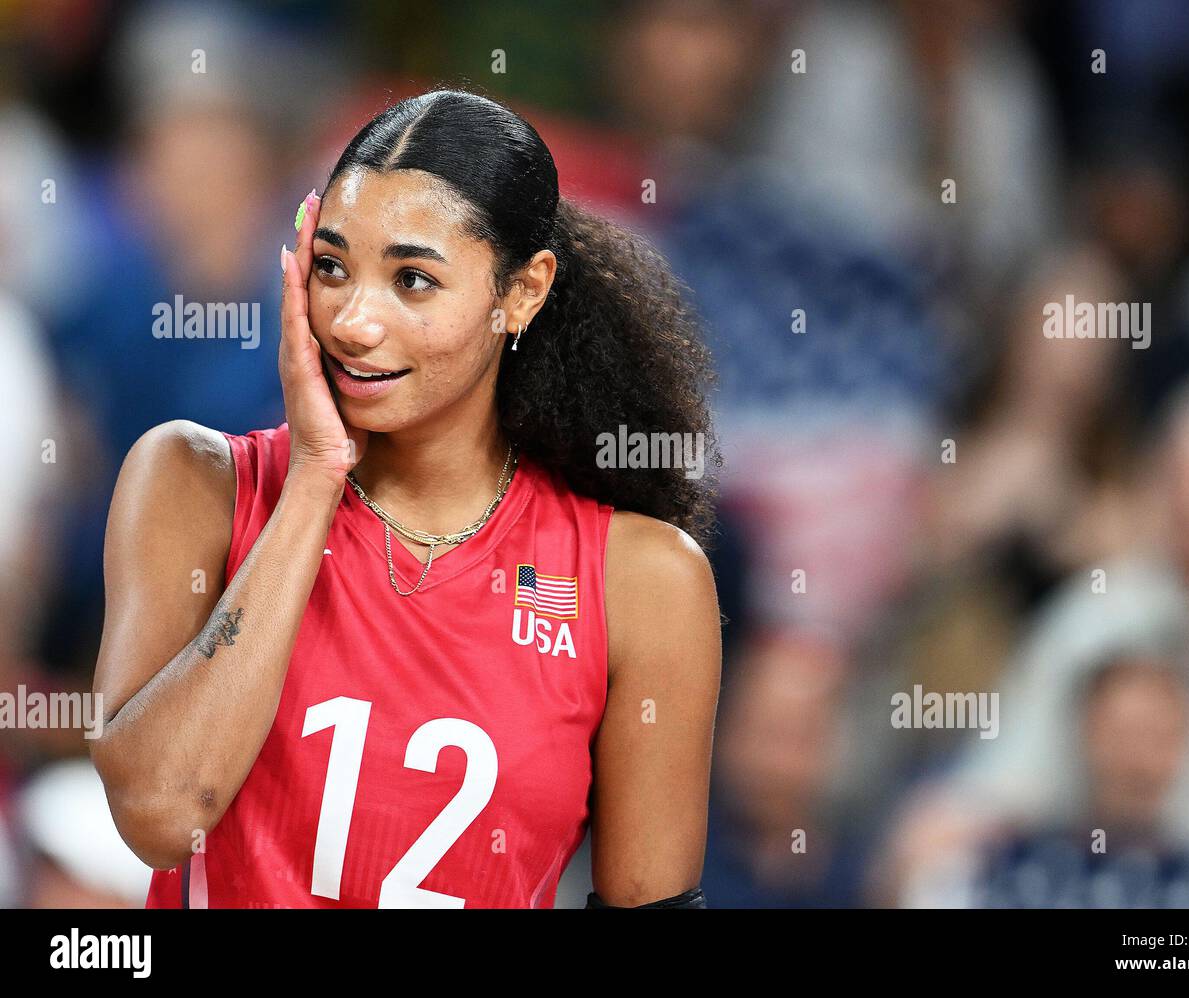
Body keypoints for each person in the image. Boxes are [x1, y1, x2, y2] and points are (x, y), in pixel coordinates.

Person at [90, 89, 722, 909]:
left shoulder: (643, 581)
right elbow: (162, 814)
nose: (352, 321)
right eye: (331, 267)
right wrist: (316, 475)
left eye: (413, 280)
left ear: (523, 292)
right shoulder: (193, 481)